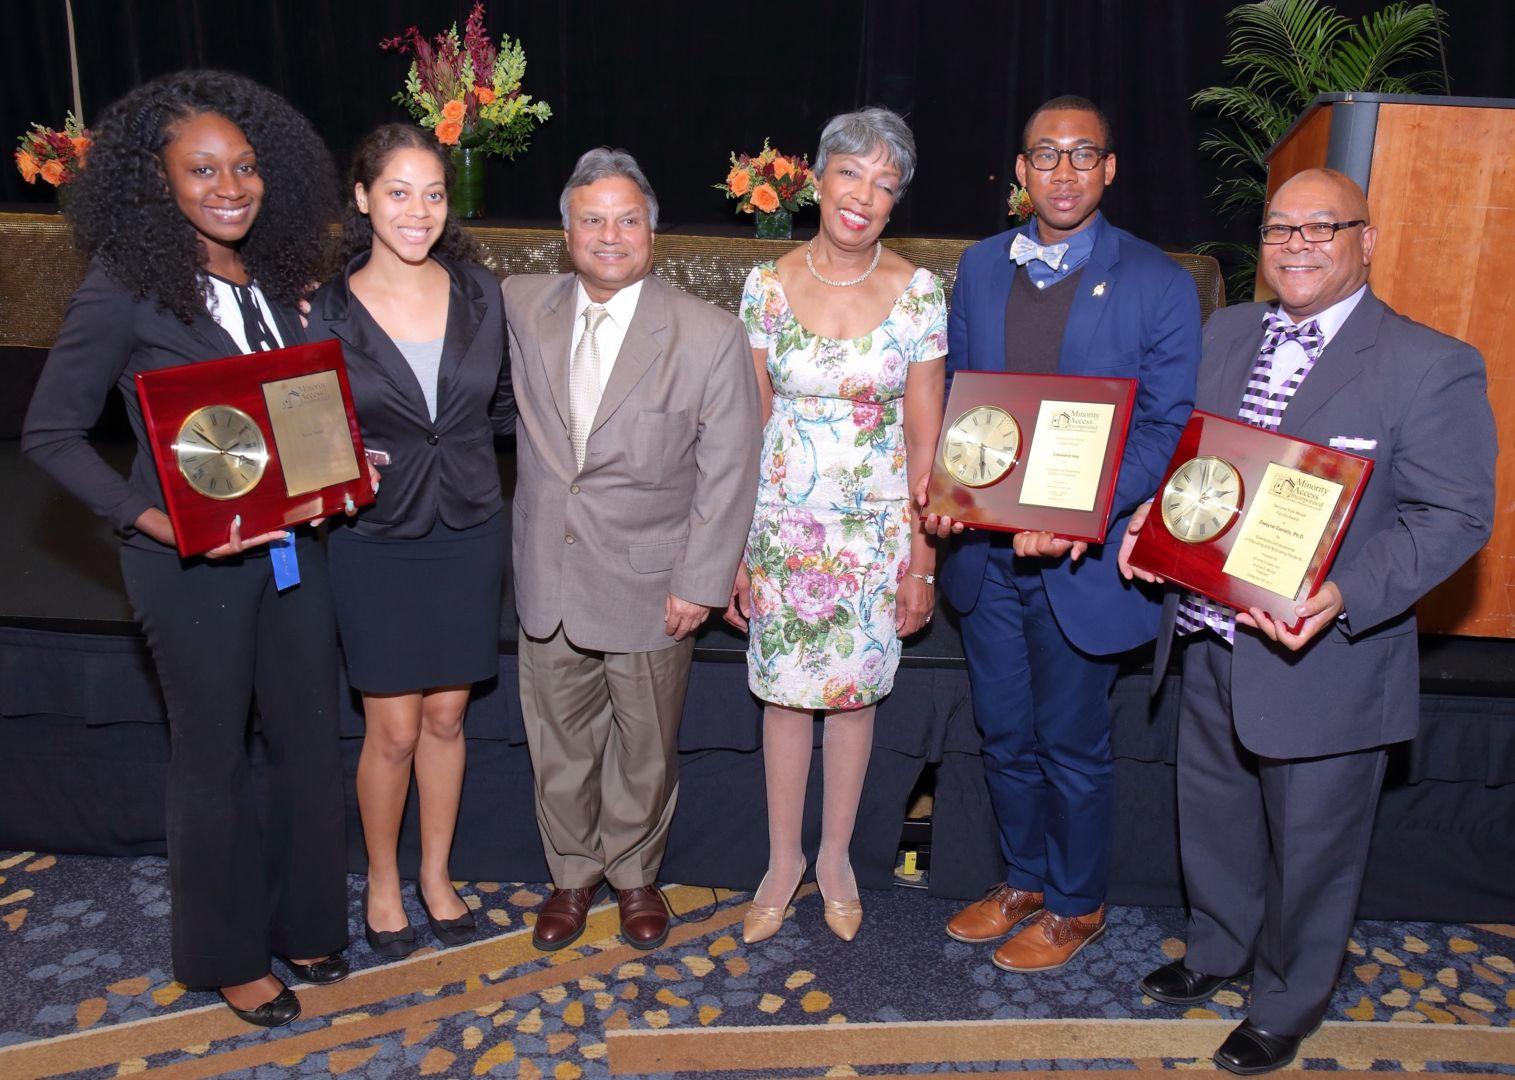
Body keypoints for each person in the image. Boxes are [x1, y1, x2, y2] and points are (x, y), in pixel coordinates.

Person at [1119, 168, 1496, 1075]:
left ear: (1365, 240)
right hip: (1210, 631)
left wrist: (1347, 595)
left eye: (1319, 227)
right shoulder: (1227, 331)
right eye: (1279, 228)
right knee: (1211, 815)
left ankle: (1289, 999)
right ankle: (1217, 949)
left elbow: (1453, 518)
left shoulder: (1427, 364)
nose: (1295, 243)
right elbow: (1198, 458)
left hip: (1320, 654)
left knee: (1313, 846)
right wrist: (1153, 518)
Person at [21, 70, 350, 1026]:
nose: (229, 187)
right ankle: (229, 954)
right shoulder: (126, 287)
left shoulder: (278, 278)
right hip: (188, 569)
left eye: (243, 167)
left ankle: (304, 919)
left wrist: (338, 459)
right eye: (201, 169)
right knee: (211, 759)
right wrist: (147, 516)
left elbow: (280, 418)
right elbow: (50, 434)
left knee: (305, 746)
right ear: (155, 181)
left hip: (292, 553)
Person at [923, 95, 1201, 971]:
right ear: (1021, 171)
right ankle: (1025, 879)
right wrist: (944, 491)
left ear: (1109, 169)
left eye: (1084, 154)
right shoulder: (974, 269)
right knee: (1003, 731)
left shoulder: (1157, 281)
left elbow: (1166, 427)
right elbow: (965, 404)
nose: (1064, 171)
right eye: (1046, 155)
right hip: (986, 558)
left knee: (1071, 742)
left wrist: (1080, 518)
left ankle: (1077, 904)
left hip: (1080, 563)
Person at [501, 147, 760, 952]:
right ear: (565, 232)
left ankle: (636, 875)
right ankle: (571, 877)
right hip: (549, 573)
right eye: (591, 220)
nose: (608, 236)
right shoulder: (519, 302)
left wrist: (702, 580)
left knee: (645, 748)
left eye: (626, 219)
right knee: (558, 745)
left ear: (652, 229)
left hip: (655, 585)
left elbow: (730, 470)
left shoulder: (708, 335)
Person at [724, 108, 946, 944]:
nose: (864, 196)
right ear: (817, 180)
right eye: (851, 174)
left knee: (853, 705)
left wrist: (920, 562)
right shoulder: (765, 287)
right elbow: (752, 427)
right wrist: (738, 553)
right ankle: (782, 861)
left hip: (876, 533)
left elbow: (928, 439)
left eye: (885, 185)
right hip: (784, 529)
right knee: (783, 701)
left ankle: (837, 858)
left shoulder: (919, 292)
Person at [305, 124, 513, 959]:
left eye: (433, 193)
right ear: (361, 199)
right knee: (390, 727)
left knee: (449, 715)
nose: (418, 210)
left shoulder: (479, 292)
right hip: (376, 534)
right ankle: (383, 882)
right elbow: (308, 425)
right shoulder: (322, 307)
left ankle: (435, 874)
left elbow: (499, 407)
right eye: (398, 191)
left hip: (467, 525)